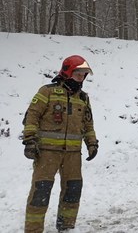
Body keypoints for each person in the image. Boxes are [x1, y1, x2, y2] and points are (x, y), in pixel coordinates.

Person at [22, 55, 99, 232]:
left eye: (83, 74)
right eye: (78, 73)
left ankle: (66, 228)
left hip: (73, 154)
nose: (81, 78)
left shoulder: (84, 98)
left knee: (73, 191)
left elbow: (88, 124)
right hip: (47, 153)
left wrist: (92, 143)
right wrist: (30, 140)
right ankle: (33, 230)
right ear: (67, 72)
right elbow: (32, 116)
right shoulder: (47, 92)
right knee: (40, 192)